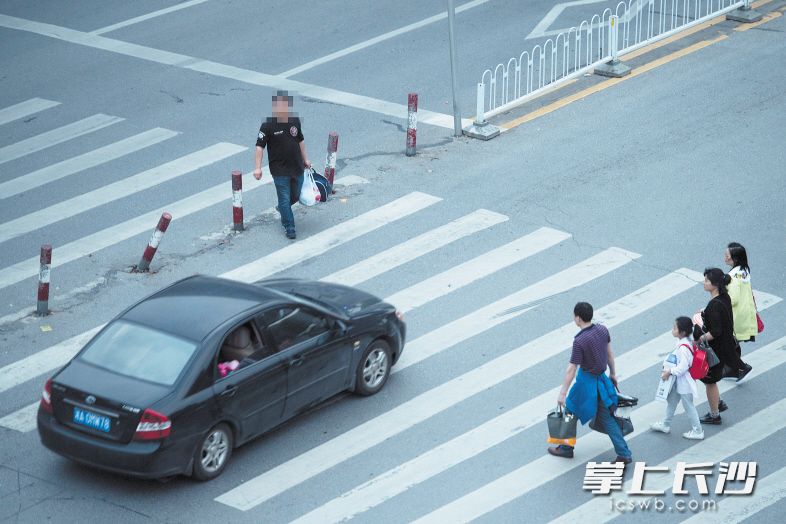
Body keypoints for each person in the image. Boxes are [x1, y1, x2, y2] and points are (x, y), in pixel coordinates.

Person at [549, 302, 632, 464]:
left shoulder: (580, 341)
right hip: (602, 380)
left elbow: (571, 369)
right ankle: (624, 453)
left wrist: (562, 393)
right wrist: (613, 374)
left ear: (578, 318)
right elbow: (609, 355)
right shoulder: (602, 330)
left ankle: (566, 448)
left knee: (570, 409)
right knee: (608, 418)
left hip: (586, 383)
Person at [695, 268, 753, 425]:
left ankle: (715, 415)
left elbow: (715, 332)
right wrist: (704, 312)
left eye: (706, 280)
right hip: (726, 346)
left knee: (709, 380)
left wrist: (699, 339)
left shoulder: (714, 306)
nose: (704, 282)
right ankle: (717, 402)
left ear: (714, 285)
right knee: (707, 378)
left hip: (716, 350)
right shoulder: (724, 297)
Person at [253, 90, 311, 240]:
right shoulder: (267, 126)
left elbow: (301, 141)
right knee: (285, 198)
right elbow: (259, 147)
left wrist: (306, 159)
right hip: (279, 170)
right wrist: (257, 168)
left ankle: (282, 208)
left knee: (296, 195)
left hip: (297, 167)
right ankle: (289, 226)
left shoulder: (294, 121)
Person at [650, 316, 704, 440]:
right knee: (672, 402)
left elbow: (683, 367)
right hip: (679, 382)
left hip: (684, 383)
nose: (672, 329)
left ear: (682, 332)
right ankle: (665, 424)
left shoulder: (683, 347)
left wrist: (669, 372)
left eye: (675, 328)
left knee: (689, 407)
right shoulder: (685, 342)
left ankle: (698, 431)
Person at [724, 242, 757, 343]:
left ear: (735, 258)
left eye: (727, 255)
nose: (725, 257)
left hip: (736, 320)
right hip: (746, 318)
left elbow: (733, 299)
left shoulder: (733, 277)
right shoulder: (744, 272)